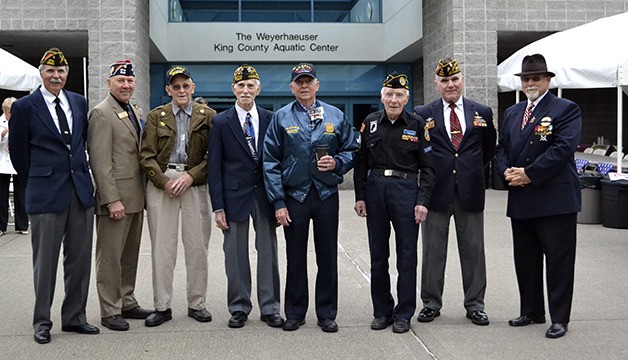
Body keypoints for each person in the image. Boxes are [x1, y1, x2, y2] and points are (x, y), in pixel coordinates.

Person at [9, 48, 99, 344]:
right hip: (46, 194)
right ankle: (42, 322)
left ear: (66, 74)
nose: (56, 76)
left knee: (79, 261)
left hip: (80, 193)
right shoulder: (25, 107)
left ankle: (74, 317)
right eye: (50, 71)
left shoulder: (78, 101)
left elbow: (80, 144)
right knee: (44, 263)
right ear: (41, 72)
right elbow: (20, 154)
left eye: (60, 71)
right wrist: (37, 181)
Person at [263, 62, 357, 333]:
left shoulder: (336, 115)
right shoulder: (281, 117)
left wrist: (337, 163)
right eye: (299, 82)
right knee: (295, 256)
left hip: (326, 194)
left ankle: (326, 313)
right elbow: (270, 162)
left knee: (327, 256)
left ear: (317, 85)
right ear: (292, 87)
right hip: (295, 196)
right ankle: (294, 311)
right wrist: (278, 202)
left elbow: (352, 149)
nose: (304, 86)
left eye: (309, 81)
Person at [495, 53, 581, 339]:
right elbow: (502, 148)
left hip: (554, 199)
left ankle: (559, 318)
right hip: (521, 198)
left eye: (536, 78)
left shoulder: (565, 109)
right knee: (526, 259)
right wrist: (507, 171)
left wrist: (529, 173)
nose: (530, 83)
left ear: (547, 80)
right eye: (526, 79)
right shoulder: (513, 112)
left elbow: (562, 149)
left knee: (558, 262)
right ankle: (531, 311)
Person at [413, 58, 496, 326]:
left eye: (455, 79)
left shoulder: (482, 112)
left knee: (473, 252)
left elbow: (489, 150)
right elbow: (419, 153)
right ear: (436, 84)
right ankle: (430, 303)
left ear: (462, 81)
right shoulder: (422, 113)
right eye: (445, 81)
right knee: (433, 252)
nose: (450, 85)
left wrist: (469, 171)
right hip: (435, 192)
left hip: (470, 192)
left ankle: (475, 305)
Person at [353, 72, 436, 334]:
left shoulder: (417, 123)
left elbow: (429, 168)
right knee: (378, 256)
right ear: (382, 97)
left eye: (399, 95)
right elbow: (361, 162)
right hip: (376, 190)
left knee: (407, 256)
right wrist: (360, 196)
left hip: (406, 191)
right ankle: (382, 311)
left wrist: (422, 201)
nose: (394, 99)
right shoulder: (370, 123)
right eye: (389, 94)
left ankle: (403, 314)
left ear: (407, 98)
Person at [140, 65, 215, 327]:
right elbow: (146, 156)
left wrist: (191, 176)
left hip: (194, 183)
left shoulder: (209, 116)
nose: (181, 90)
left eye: (186, 85)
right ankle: (162, 306)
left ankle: (197, 303)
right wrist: (162, 181)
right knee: (162, 247)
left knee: (197, 247)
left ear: (193, 88)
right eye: (176, 86)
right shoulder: (154, 116)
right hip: (163, 185)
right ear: (168, 90)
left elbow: (212, 157)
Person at [208, 64, 282, 329]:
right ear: (233, 89)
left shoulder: (272, 119)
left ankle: (270, 306)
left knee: (268, 252)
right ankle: (239, 307)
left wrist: (279, 199)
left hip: (265, 195)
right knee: (235, 254)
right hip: (233, 197)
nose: (246, 90)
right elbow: (214, 168)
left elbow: (278, 162)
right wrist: (218, 207)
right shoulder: (220, 122)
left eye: (251, 86)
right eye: (241, 86)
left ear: (258, 89)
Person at [87, 60, 153, 331]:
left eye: (129, 81)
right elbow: (100, 162)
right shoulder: (102, 113)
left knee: (129, 255)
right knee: (110, 257)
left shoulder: (134, 110)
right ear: (109, 83)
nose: (126, 85)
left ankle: (127, 299)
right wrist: (111, 199)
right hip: (115, 200)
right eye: (120, 81)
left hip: (135, 196)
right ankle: (110, 309)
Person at [0, 96, 28, 236]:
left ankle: (22, 225)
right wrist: (1, 136)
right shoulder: (0, 122)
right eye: (9, 111)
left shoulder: (21, 120)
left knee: (21, 195)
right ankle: (1, 226)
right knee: (1, 196)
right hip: (2, 163)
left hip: (18, 163)